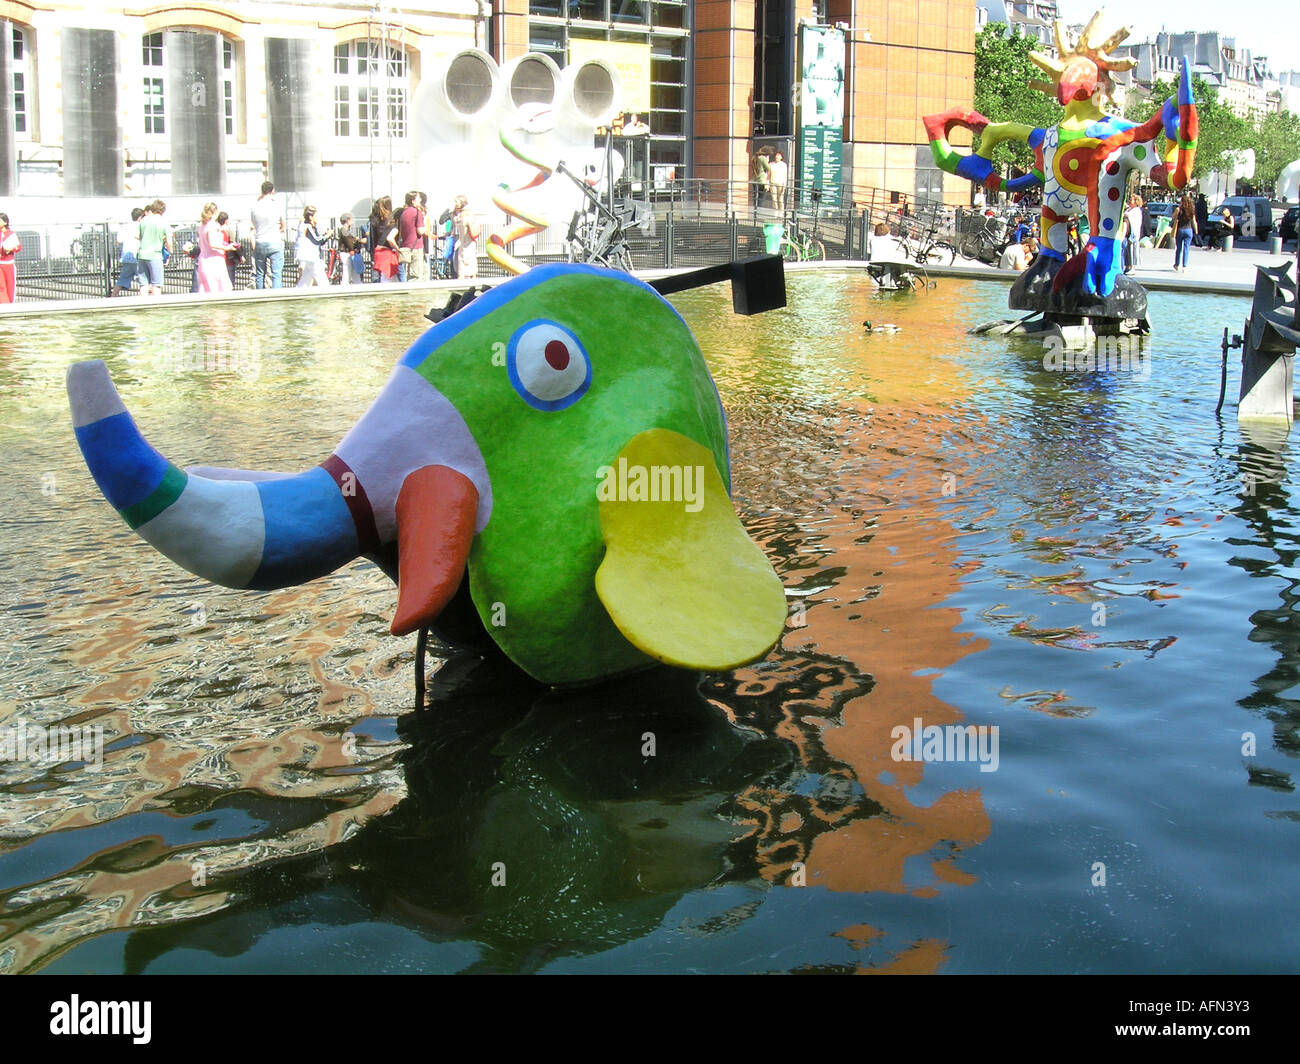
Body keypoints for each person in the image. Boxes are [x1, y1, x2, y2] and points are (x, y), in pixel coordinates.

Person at [250, 180, 284, 289]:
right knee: (276, 274)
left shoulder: (255, 206)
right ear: (272, 191)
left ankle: (260, 295)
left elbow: (254, 224)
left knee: (260, 273)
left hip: (260, 241)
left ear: (262, 191)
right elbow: (283, 225)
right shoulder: (277, 206)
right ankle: (277, 296)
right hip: (275, 241)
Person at [196, 202, 236, 293]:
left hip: (204, 259)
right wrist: (228, 247)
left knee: (206, 289)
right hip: (214, 260)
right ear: (216, 212)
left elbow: (201, 244)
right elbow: (213, 244)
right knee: (218, 290)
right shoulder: (212, 226)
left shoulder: (202, 226)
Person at [136, 199, 171, 298]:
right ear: (163, 210)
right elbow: (169, 241)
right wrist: (170, 251)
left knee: (143, 285)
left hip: (142, 255)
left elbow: (137, 236)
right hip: (155, 255)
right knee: (156, 285)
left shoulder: (144, 220)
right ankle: (156, 307)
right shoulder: (163, 222)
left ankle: (143, 306)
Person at [295, 205, 330, 287]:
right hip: (310, 257)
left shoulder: (309, 226)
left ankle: (299, 294)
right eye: (316, 216)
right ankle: (328, 295)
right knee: (323, 281)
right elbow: (317, 240)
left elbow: (318, 239)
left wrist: (324, 236)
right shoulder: (307, 227)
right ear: (311, 217)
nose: (317, 218)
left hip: (308, 257)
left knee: (305, 281)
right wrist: (327, 235)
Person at [114, 207, 146, 296]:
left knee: (122, 280)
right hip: (138, 256)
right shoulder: (141, 226)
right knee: (144, 281)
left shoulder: (125, 227)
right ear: (140, 217)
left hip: (126, 257)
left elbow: (119, 240)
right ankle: (143, 299)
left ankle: (112, 297)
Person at [399, 190, 428, 282]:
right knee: (416, 275)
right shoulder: (416, 212)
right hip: (416, 246)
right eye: (418, 198)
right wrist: (425, 226)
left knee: (409, 273)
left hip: (407, 247)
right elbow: (420, 231)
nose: (420, 200)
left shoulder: (404, 212)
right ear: (413, 200)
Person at [368, 196, 400, 282]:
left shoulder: (375, 220)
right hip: (387, 251)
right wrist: (398, 250)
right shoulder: (391, 221)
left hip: (378, 251)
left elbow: (372, 238)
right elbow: (390, 238)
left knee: (384, 277)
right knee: (389, 278)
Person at [452, 194, 479, 280]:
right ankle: (472, 281)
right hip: (467, 241)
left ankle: (463, 279)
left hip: (465, 241)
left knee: (464, 262)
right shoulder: (467, 215)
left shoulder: (460, 216)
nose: (455, 204)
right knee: (469, 262)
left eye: (456, 202)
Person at [1172, 193, 1196, 273]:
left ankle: (1177, 264)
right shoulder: (1191, 210)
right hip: (1189, 230)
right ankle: (1185, 266)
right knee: (1187, 248)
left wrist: (1178, 209)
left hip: (1180, 230)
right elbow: (1194, 221)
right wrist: (1196, 230)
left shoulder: (1179, 209)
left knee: (1178, 248)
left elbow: (1173, 217)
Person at [216, 211, 241, 288]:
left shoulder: (215, 230)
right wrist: (240, 256)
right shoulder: (228, 230)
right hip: (228, 259)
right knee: (230, 281)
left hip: (217, 259)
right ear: (226, 220)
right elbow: (234, 244)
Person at [0, 212, 20, 303]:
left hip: (8, 264)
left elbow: (18, 247)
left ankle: (10, 304)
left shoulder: (11, 234)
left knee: (10, 285)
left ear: (5, 222)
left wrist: (10, 249)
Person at [1123, 194, 1143, 273]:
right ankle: (1128, 265)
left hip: (1133, 233)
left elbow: (1129, 217)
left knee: (1132, 251)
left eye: (1131, 200)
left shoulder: (1137, 210)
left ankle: (1132, 267)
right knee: (1128, 251)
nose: (1129, 201)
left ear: (1136, 202)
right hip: (1128, 233)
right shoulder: (1129, 210)